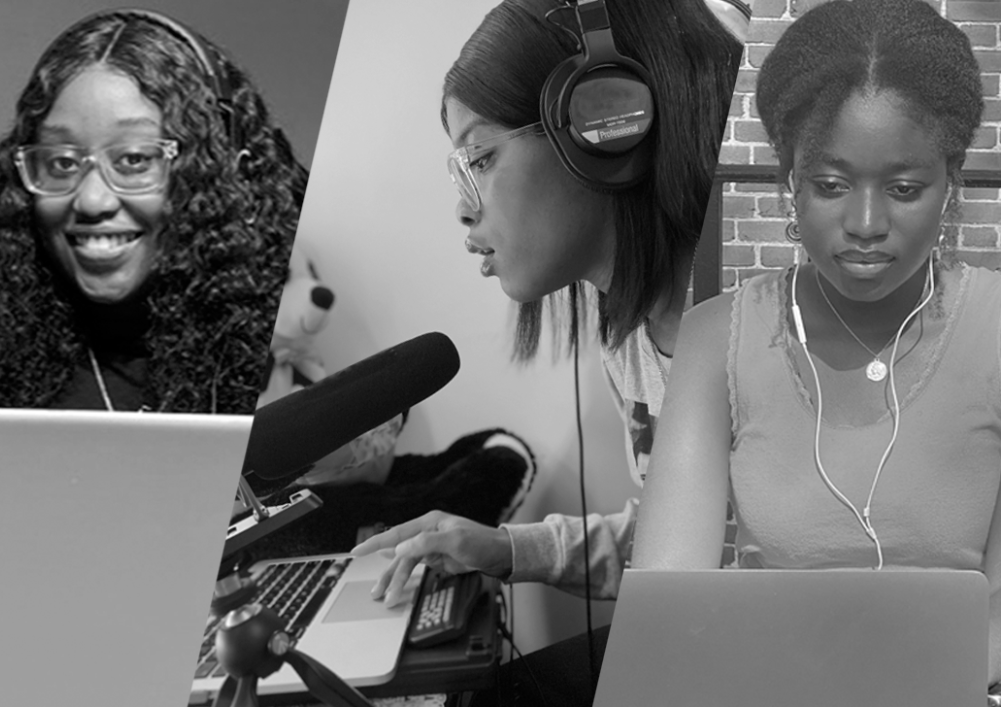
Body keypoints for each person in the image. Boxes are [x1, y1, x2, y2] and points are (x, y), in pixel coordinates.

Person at [629, 0, 1001, 689]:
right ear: (787, 185)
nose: (865, 223)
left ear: (949, 188)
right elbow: (667, 615)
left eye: (905, 187)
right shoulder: (717, 340)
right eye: (830, 185)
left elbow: (997, 627)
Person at [351, 0, 742, 623]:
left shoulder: (783, 316)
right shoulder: (628, 341)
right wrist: (504, 548)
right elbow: (687, 547)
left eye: (480, 159)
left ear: (609, 120)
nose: (463, 209)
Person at [0, 9, 305, 414]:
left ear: (228, 172)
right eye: (62, 163)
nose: (92, 201)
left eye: (134, 159)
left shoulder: (311, 347)